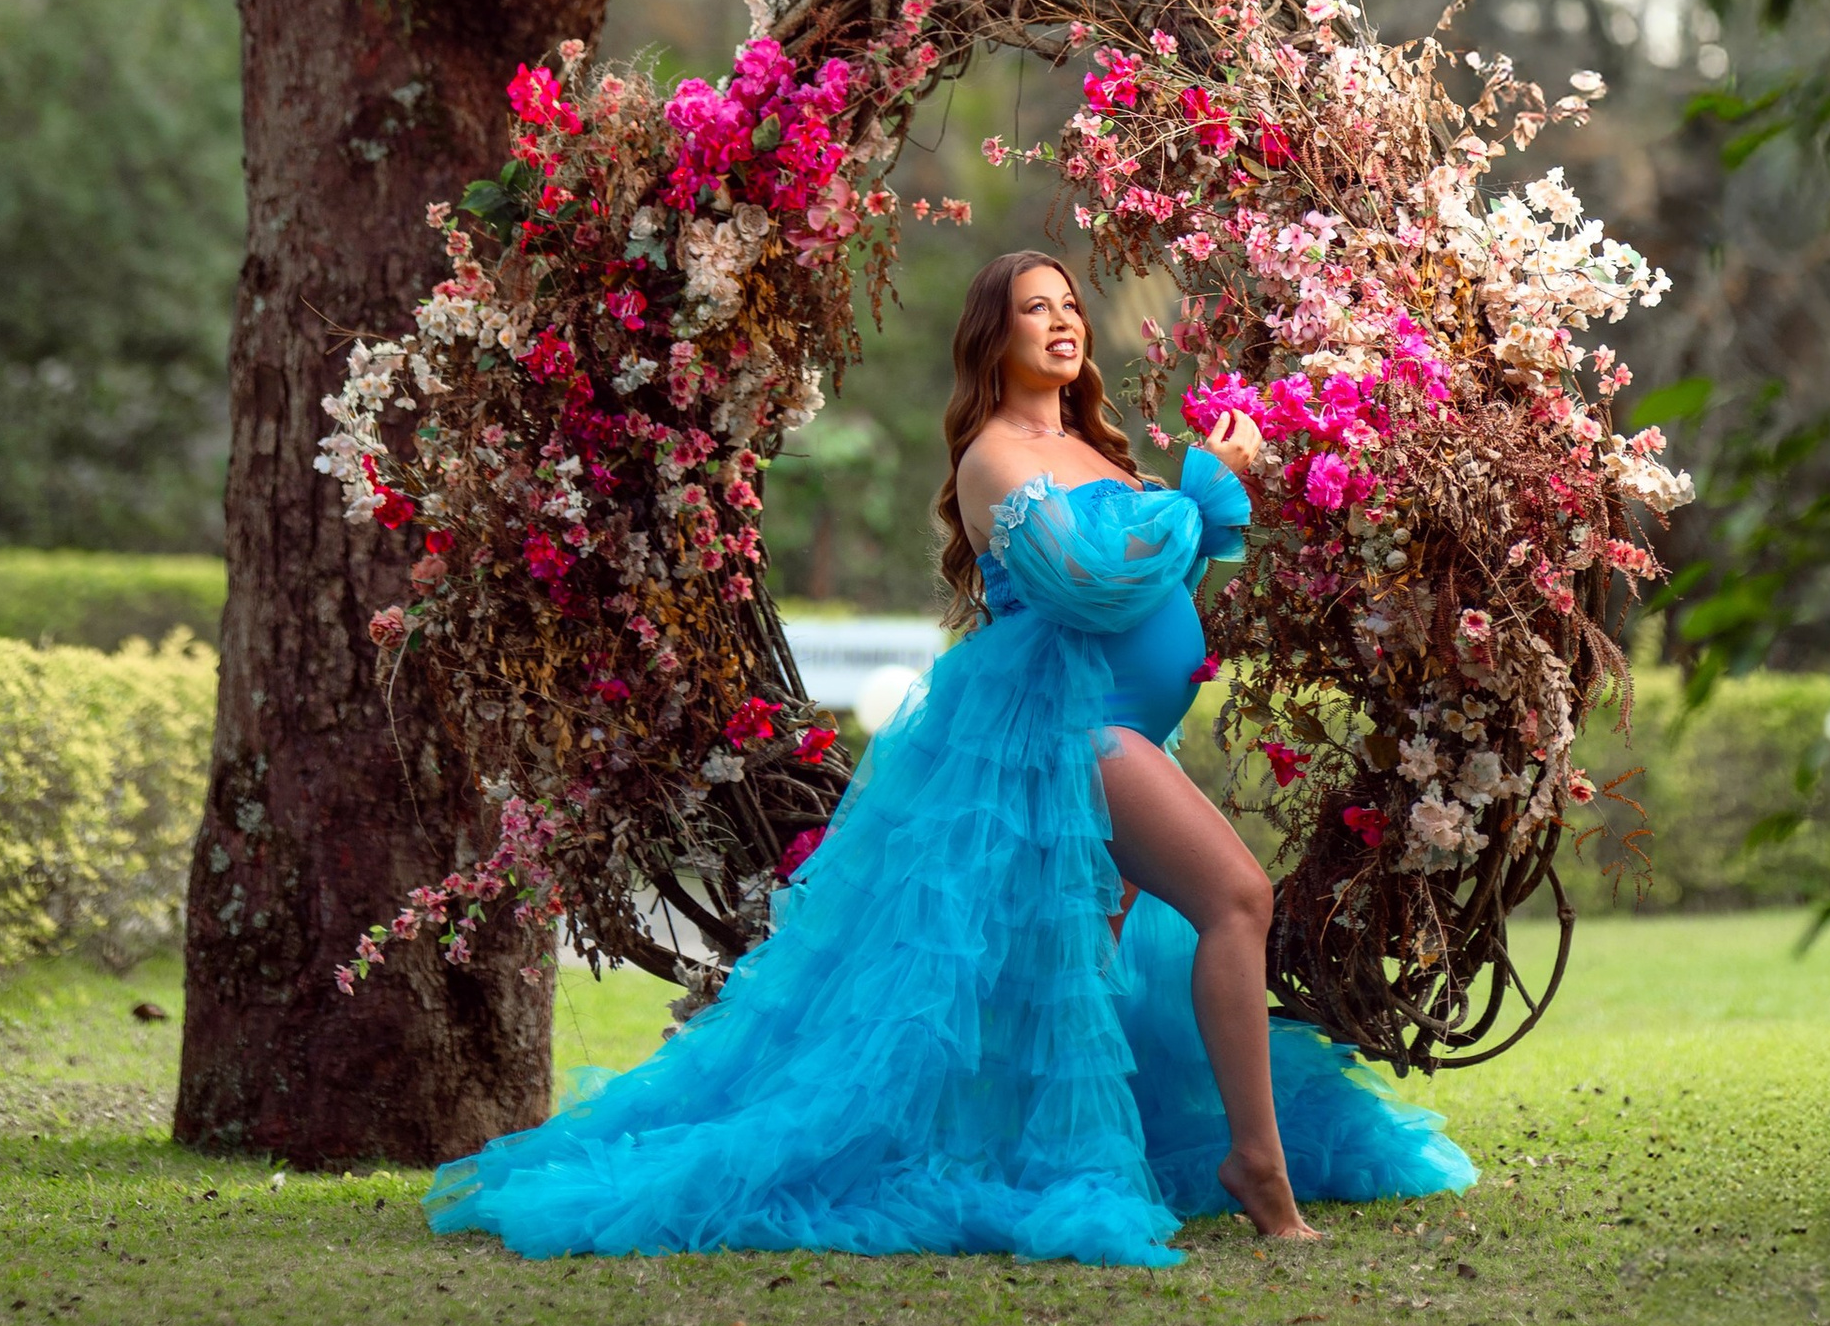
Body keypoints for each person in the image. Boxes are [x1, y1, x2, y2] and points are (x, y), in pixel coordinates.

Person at [425, 247, 1473, 1265]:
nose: (1061, 320)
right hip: (1067, 732)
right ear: (991, 335)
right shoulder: (993, 458)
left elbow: (1153, 590)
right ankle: (1259, 1169)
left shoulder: (1098, 454)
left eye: (1069, 303)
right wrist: (1203, 490)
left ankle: (1062, 1147)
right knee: (1237, 897)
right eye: (1032, 307)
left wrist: (1192, 523)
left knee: (1081, 971)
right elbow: (1084, 581)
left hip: (1125, 728)